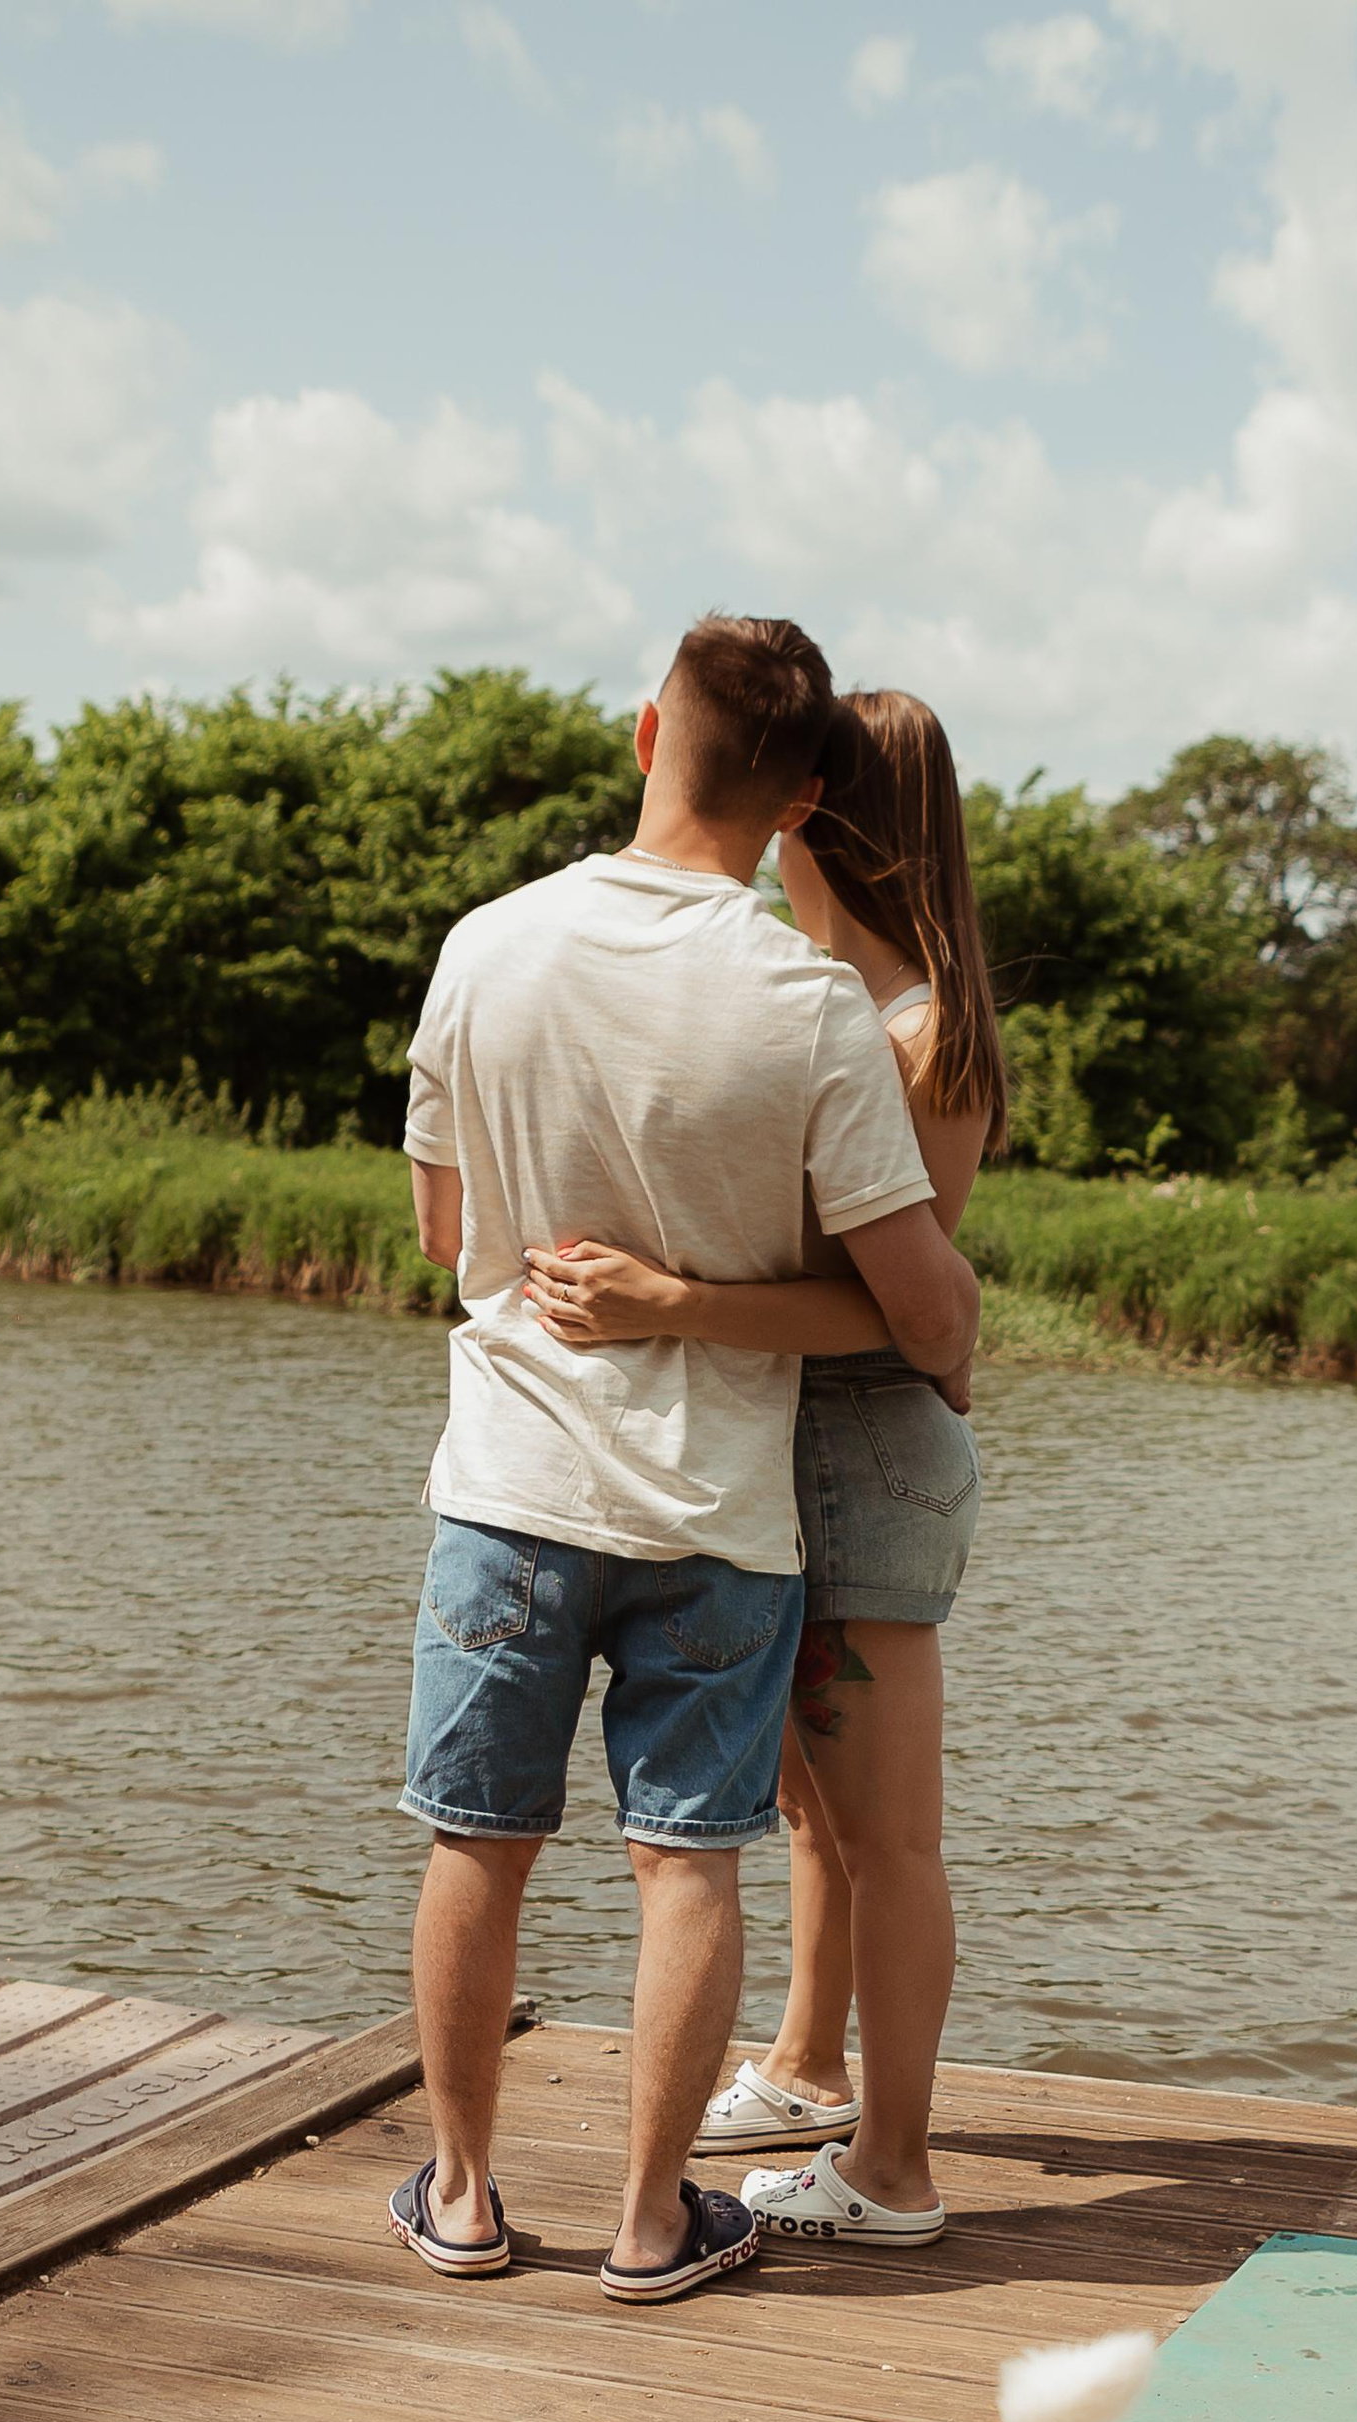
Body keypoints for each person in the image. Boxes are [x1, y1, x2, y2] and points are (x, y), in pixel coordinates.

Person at [394, 618, 980, 2307]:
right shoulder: (807, 1005)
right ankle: (654, 2223)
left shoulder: (486, 947)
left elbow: (444, 1229)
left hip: (506, 1482)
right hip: (719, 1513)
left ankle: (467, 2197)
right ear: (801, 797)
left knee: (474, 1841)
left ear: (643, 729)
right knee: (688, 1864)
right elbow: (922, 1300)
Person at [520, 690, 1004, 2248]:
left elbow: (909, 1309)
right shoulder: (816, 992)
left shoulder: (913, 1026)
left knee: (891, 1834)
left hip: (865, 1439)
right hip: (798, 1439)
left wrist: (672, 1306)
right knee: (816, 1816)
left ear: (819, 808)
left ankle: (898, 2170)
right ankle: (809, 2070)